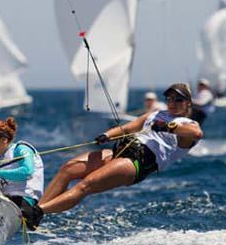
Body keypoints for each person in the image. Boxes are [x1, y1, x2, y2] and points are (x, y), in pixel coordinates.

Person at [22, 83, 203, 230]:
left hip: (139, 162)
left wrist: (167, 127)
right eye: (170, 98)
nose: (172, 102)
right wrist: (107, 135)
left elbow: (196, 134)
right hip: (122, 150)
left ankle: (37, 211)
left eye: (178, 99)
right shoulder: (156, 114)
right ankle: (34, 216)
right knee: (68, 168)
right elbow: (129, 128)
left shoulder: (188, 123)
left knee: (86, 185)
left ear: (188, 103)